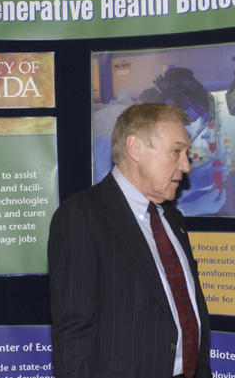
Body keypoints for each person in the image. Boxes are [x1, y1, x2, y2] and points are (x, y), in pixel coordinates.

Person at [48, 103, 212, 378]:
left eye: (186, 152)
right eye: (176, 151)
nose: (186, 165)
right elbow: (73, 334)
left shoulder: (171, 219)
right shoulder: (82, 216)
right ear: (134, 148)